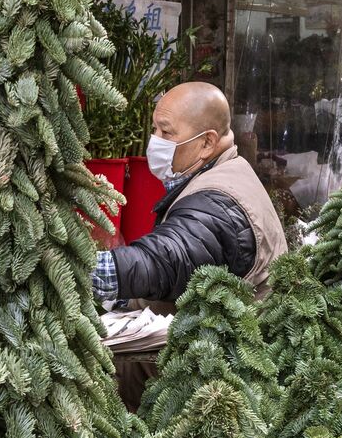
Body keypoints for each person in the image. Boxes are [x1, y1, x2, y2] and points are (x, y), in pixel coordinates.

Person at [92, 81, 288, 311]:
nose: (155, 141)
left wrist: (85, 270)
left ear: (207, 142)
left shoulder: (218, 201)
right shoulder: (227, 168)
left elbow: (168, 259)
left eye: (166, 132)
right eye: (154, 130)